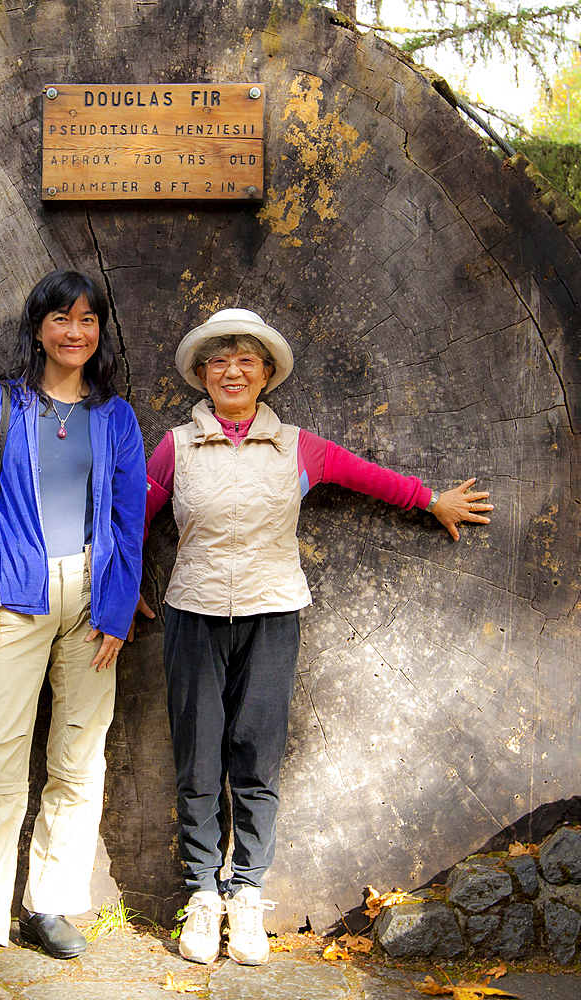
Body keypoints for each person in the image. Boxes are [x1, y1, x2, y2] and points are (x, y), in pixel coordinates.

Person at [141, 308, 494, 967]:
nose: (232, 370)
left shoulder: (300, 447)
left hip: (272, 615)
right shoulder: (175, 445)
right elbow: (137, 512)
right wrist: (124, 581)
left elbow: (368, 477)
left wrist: (429, 500)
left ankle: (245, 895)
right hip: (192, 614)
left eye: (246, 359)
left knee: (255, 756)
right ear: (201, 376)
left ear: (267, 374)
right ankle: (201, 896)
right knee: (197, 758)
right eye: (218, 361)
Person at [0, 270, 146, 986]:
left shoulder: (117, 418)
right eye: (61, 318)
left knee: (78, 759)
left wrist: (116, 607)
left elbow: (129, 520)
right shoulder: (1, 401)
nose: (75, 331)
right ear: (39, 327)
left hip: (91, 595)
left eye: (87, 320)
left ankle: (50, 905)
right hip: (13, 596)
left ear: (99, 331)